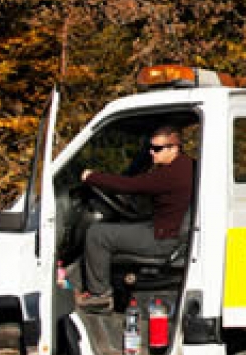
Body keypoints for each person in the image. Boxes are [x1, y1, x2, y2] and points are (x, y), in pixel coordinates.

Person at [76, 126, 195, 311]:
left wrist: (91, 176)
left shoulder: (170, 175)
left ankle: (99, 296)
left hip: (163, 239)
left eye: (157, 149)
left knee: (97, 234)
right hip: (168, 230)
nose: (151, 152)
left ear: (174, 148)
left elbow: (129, 185)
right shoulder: (187, 165)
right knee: (119, 228)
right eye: (150, 148)